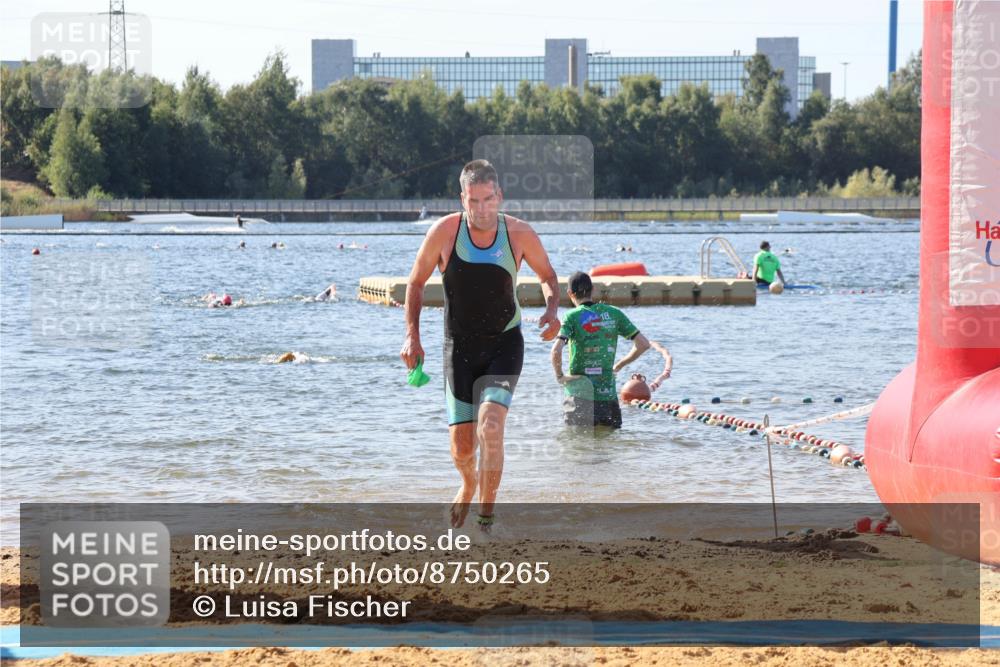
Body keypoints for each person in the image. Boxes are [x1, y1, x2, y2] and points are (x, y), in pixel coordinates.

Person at [399, 159, 560, 530]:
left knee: (490, 426)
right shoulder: (444, 232)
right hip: (459, 349)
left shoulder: (518, 234)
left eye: (488, 199)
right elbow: (416, 283)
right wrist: (412, 335)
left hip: (505, 344)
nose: (482, 209)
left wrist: (552, 310)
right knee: (462, 449)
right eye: (473, 201)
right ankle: (468, 483)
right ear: (463, 199)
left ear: (499, 196)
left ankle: (486, 519)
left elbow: (548, 276)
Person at [550, 272, 652, 429]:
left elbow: (556, 351)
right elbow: (643, 344)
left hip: (579, 398)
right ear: (593, 289)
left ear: (570, 293)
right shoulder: (614, 313)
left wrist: (560, 377)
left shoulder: (571, 316)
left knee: (576, 443)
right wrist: (619, 365)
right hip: (608, 399)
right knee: (609, 442)